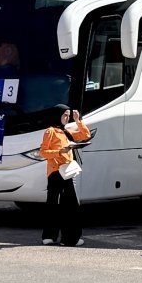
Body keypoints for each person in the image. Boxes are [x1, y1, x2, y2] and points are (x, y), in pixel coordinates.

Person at [38, 105, 92, 246]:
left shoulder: (66, 132)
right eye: (64, 115)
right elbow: (43, 152)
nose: (67, 118)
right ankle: (53, 236)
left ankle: (65, 238)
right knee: (57, 204)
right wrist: (59, 152)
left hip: (67, 171)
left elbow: (85, 135)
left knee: (67, 204)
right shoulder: (50, 131)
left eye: (68, 115)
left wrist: (78, 120)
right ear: (57, 115)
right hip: (55, 171)